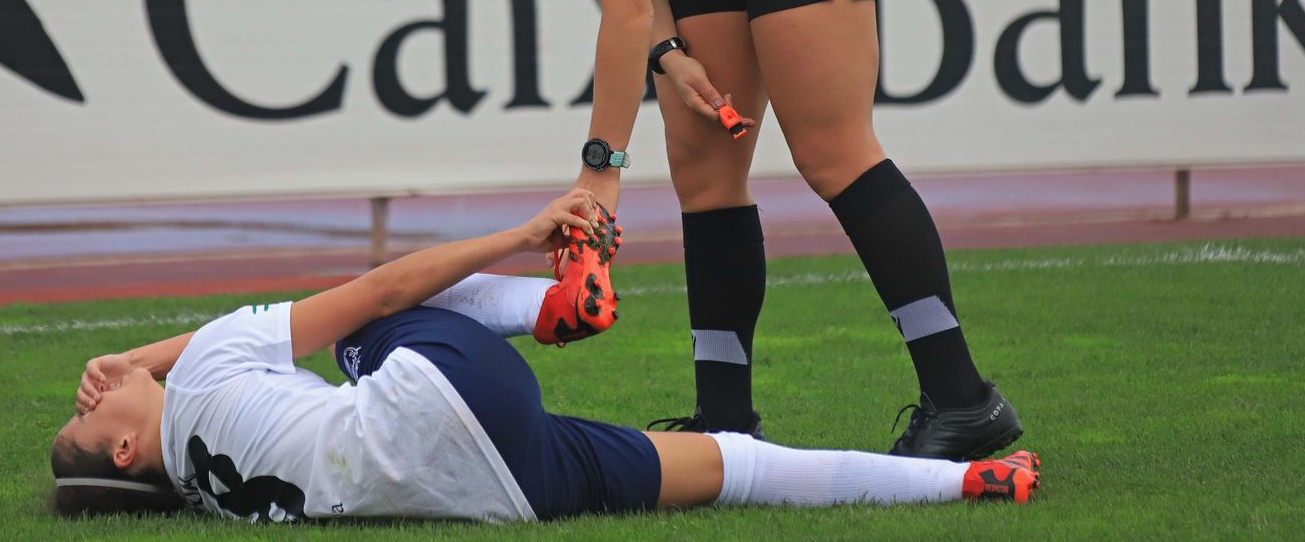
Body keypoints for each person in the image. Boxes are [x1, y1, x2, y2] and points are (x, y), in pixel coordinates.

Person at [367, 0, 1022, 457]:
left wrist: (599, 174)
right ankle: (725, 422)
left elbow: (622, 11)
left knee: (831, 152)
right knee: (704, 171)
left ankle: (963, 398)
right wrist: (671, 51)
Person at [50, 190, 1039, 522]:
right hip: (436, 398)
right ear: (129, 449)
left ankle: (963, 481)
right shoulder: (213, 366)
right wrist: (525, 235)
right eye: (89, 406)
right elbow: (392, 288)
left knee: (720, 468)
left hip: (477, 484)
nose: (94, 387)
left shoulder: (208, 481)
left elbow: (187, 369)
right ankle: (555, 300)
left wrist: (130, 361)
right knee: (354, 321)